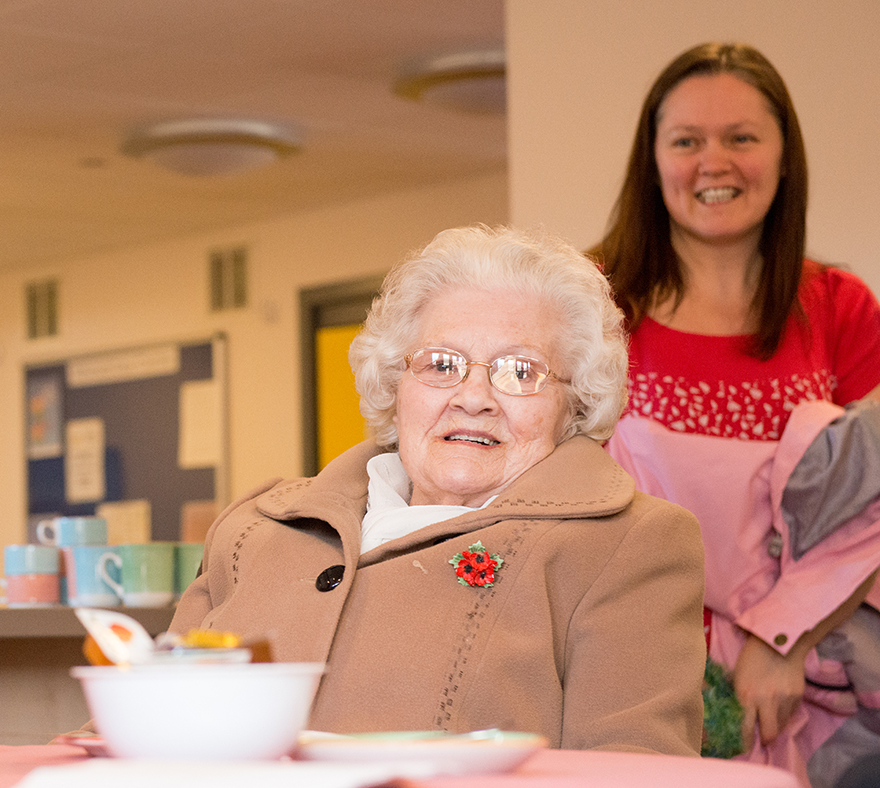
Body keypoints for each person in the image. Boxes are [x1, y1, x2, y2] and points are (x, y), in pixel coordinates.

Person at [172, 224, 706, 755]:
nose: (474, 397)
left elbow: (635, 770)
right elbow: (141, 727)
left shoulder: (629, 546)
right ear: (394, 382)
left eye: (521, 371)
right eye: (441, 364)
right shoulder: (256, 529)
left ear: (576, 406)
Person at [592, 42, 880, 787]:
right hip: (627, 685)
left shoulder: (840, 309)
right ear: (651, 163)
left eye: (741, 138)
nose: (711, 162)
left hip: (811, 700)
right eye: (685, 141)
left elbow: (873, 505)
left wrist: (781, 636)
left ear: (784, 158)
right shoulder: (588, 303)